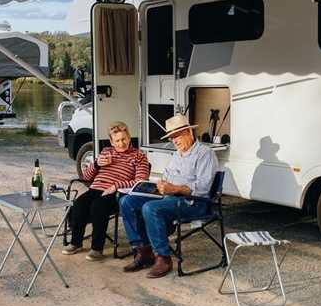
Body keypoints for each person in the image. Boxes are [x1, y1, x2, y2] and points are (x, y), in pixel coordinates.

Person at [120, 114, 218, 278]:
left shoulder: (204, 153)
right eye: (171, 138)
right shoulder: (177, 154)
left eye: (177, 136)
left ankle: (163, 257)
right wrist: (160, 185)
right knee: (127, 201)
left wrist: (175, 189)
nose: (174, 141)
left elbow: (203, 188)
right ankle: (143, 251)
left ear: (188, 132)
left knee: (150, 208)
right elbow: (166, 176)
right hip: (169, 196)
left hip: (193, 202)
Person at [62, 121, 150, 261]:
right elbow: (86, 177)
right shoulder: (106, 152)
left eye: (124, 139)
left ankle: (97, 249)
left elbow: (140, 182)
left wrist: (116, 185)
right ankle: (76, 243)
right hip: (96, 188)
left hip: (118, 192)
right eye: (117, 140)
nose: (121, 143)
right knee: (78, 204)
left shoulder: (138, 156)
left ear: (129, 137)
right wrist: (96, 164)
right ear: (111, 141)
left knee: (98, 207)